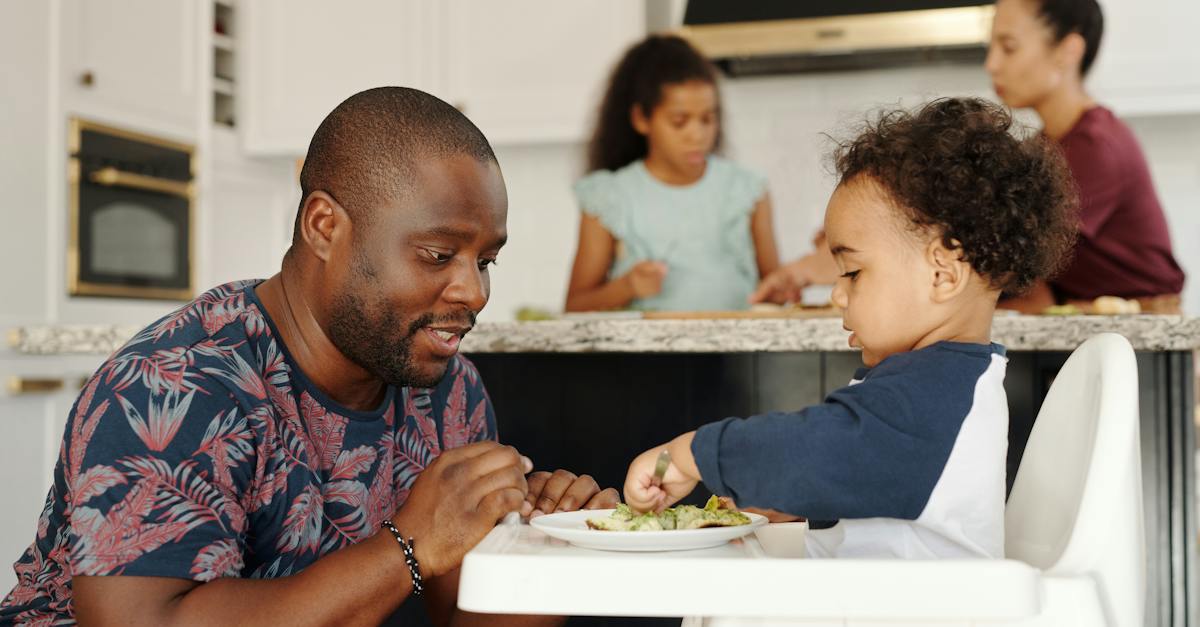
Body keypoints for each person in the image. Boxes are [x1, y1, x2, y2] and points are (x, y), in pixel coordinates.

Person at [0, 87, 617, 626]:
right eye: (437, 254)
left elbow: (461, 617)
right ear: (324, 225)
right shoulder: (174, 386)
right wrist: (410, 543)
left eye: (485, 262)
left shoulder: (447, 391)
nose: (475, 292)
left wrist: (551, 550)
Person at [622, 98, 1077, 558]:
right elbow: (877, 492)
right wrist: (800, 505)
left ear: (943, 273)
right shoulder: (940, 382)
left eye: (853, 272)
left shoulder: (934, 393)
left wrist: (693, 452)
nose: (838, 295)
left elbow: (823, 448)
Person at [986, 0, 1184, 312]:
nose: (992, 64)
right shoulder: (1043, 147)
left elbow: (1015, 253)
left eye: (1008, 48)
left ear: (1068, 51)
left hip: (1140, 332)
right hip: (1086, 318)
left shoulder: (1095, 145)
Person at [564, 34, 782, 312]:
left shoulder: (747, 190)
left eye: (707, 118)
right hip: (647, 356)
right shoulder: (608, 197)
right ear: (641, 119)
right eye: (679, 122)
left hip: (740, 355)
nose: (698, 135)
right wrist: (627, 286)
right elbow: (575, 306)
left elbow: (775, 293)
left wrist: (792, 282)